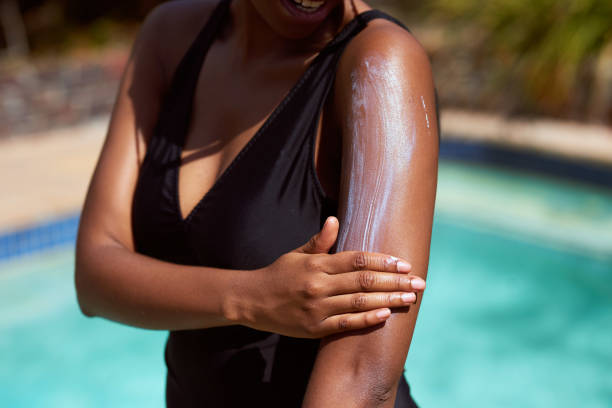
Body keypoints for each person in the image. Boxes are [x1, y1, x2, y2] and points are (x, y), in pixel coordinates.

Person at [75, 0, 438, 406]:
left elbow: (363, 378)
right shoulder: (171, 37)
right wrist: (250, 297)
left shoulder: (380, 63)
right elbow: (93, 277)